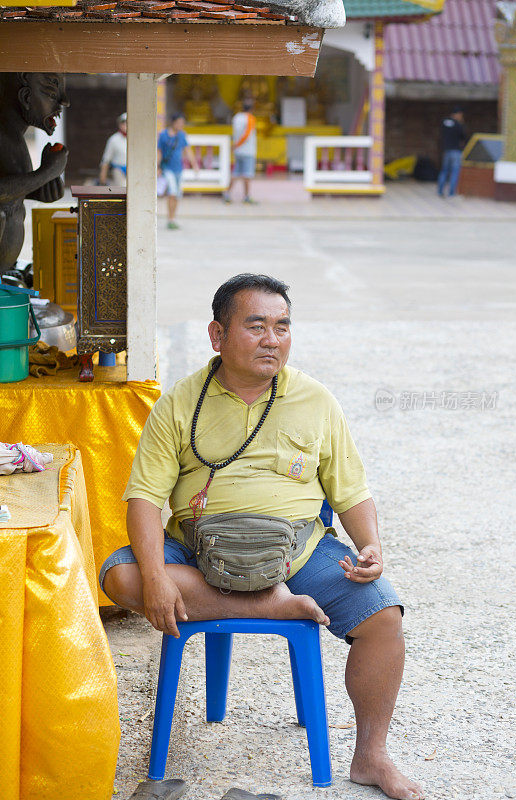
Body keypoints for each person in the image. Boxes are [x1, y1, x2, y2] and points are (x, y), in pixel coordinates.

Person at [100, 273, 424, 800]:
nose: (272, 339)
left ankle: (371, 756)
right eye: (256, 326)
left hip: (299, 550)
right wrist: (157, 577)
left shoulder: (315, 399)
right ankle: (275, 606)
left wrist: (372, 547)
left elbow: (351, 491)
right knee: (121, 575)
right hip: (199, 545)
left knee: (384, 616)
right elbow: (143, 500)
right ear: (217, 335)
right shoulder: (181, 402)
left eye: (282, 327)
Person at [158, 112, 199, 230]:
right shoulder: (163, 135)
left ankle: (173, 217)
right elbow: (159, 151)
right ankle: (170, 218)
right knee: (172, 192)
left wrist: (194, 164)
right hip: (167, 168)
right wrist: (158, 167)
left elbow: (187, 150)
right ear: (173, 122)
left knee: (176, 195)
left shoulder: (182, 135)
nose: (181, 125)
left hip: (178, 169)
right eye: (179, 122)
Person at [223, 99, 257, 204]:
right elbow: (246, 134)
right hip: (247, 151)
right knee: (247, 174)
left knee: (236, 173)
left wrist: (235, 146)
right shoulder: (250, 118)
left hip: (238, 151)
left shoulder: (237, 117)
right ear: (252, 108)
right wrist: (237, 144)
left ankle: (227, 193)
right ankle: (246, 196)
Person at [437, 106, 466, 198]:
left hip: (446, 150)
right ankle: (451, 193)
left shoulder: (444, 122)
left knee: (444, 171)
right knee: (455, 171)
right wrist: (461, 124)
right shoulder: (458, 124)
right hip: (456, 151)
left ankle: (440, 191)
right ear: (458, 114)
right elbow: (463, 136)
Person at [99, 112, 127, 187]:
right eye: (123, 123)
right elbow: (106, 159)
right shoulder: (114, 139)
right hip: (119, 169)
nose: (125, 125)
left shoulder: (135, 138)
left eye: (127, 123)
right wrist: (103, 176)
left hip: (133, 169)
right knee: (123, 187)